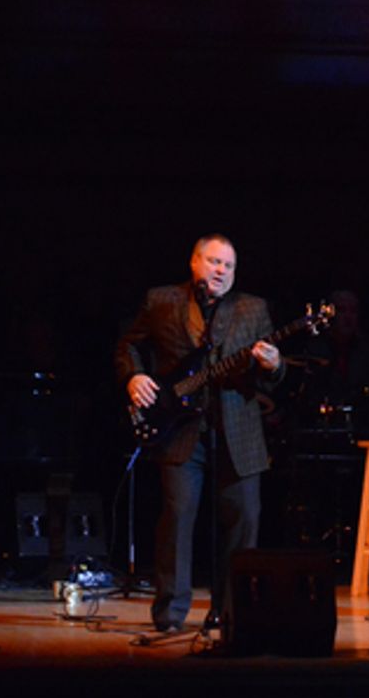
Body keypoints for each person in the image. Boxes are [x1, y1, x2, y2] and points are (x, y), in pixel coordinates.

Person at [115, 234, 284, 632]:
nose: (220, 270)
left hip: (236, 431)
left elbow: (272, 381)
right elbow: (128, 345)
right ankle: (171, 613)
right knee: (177, 517)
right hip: (178, 429)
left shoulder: (252, 308)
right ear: (194, 262)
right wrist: (134, 376)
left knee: (244, 519)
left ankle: (234, 613)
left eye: (228, 265)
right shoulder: (162, 300)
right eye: (213, 262)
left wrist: (274, 365)